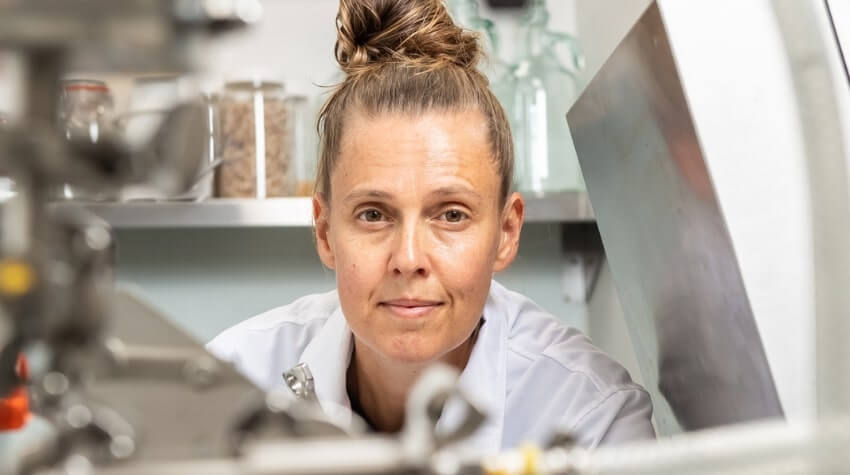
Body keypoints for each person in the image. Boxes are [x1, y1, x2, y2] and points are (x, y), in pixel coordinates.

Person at [208, 0, 654, 453]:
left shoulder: (592, 417)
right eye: (374, 214)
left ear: (506, 233)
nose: (408, 259)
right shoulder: (231, 385)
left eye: (451, 215)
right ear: (325, 232)